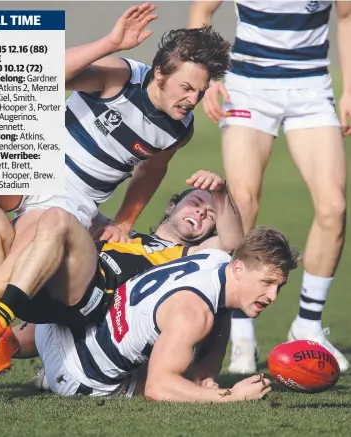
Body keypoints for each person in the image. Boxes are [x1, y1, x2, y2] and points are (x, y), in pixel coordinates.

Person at [0, 3, 231, 337]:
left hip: (71, 200)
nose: (192, 99)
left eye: (200, 91)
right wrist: (110, 43)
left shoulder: (178, 130)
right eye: (185, 88)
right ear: (159, 75)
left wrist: (125, 222)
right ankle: (0, 330)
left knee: (12, 259)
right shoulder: (120, 78)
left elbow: (151, 171)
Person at [0, 170, 244, 378]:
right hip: (48, 298)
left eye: (211, 214)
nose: (202, 213)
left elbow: (230, 243)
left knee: (59, 220)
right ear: (172, 206)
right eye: (195, 202)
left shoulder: (191, 257)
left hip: (96, 310)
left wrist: (221, 194)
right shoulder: (118, 230)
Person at [188, 0, 350, 373]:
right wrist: (207, 78)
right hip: (249, 88)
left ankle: (307, 326)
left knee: (334, 206)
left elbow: (346, 16)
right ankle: (241, 331)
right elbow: (202, 9)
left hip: (310, 88)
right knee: (242, 200)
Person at [32, 227, 299, 400]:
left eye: (279, 286)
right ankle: (51, 376)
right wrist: (232, 395)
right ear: (239, 269)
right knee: (174, 384)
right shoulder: (193, 313)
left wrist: (206, 377)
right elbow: (157, 388)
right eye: (267, 283)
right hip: (77, 374)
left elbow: (223, 309)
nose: (273, 296)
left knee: (187, 377)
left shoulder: (216, 258)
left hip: (61, 329)